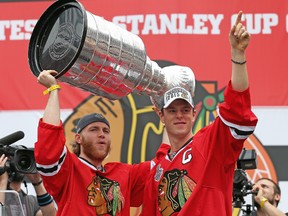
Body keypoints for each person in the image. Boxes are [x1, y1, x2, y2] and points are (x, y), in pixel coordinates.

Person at [141, 11, 258, 216]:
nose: (180, 115)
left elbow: (237, 111)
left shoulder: (211, 145)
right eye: (172, 110)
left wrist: (238, 56)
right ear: (161, 116)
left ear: (194, 114)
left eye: (185, 110)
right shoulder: (157, 171)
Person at [35, 70, 169, 215]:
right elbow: (49, 144)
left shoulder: (124, 174)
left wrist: (167, 115)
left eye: (106, 131)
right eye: (94, 129)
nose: (101, 135)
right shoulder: (70, 170)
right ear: (78, 138)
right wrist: (53, 90)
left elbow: (162, 167)